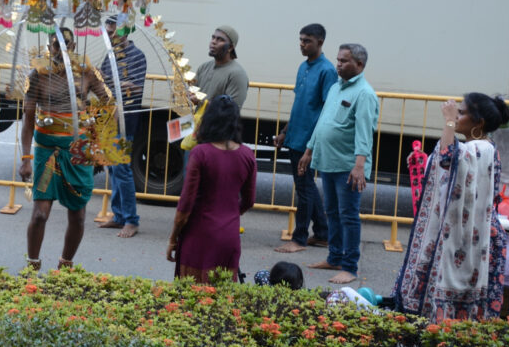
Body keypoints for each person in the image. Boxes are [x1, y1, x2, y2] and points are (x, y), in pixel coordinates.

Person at [392, 95, 509, 322]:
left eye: (461, 113)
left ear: (479, 122)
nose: (456, 116)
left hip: (473, 239)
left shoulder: (481, 148)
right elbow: (448, 162)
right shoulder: (479, 147)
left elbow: (447, 159)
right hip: (468, 236)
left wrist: (448, 121)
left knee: (464, 318)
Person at [18, 27, 111, 270]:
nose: (61, 50)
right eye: (56, 46)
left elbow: (108, 104)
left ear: (73, 47)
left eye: (66, 45)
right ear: (49, 48)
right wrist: (26, 158)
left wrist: (97, 142)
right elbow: (28, 120)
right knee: (40, 214)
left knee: (78, 216)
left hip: (78, 152)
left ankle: (66, 265)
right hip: (47, 153)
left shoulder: (87, 71)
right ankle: (32, 265)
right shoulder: (37, 75)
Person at [299, 43, 379, 285]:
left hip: (348, 166)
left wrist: (359, 166)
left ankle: (350, 266)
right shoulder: (336, 87)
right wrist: (309, 150)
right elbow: (323, 122)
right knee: (332, 212)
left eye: (344, 61)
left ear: (359, 64)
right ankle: (334, 257)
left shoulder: (364, 94)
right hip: (329, 161)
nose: (338, 65)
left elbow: (365, 133)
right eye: (338, 60)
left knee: (348, 216)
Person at [167, 95, 257, 282]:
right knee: (222, 295)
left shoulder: (200, 153)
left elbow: (186, 204)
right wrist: (230, 213)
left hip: (198, 235)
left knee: (191, 294)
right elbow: (249, 201)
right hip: (229, 236)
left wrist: (173, 238)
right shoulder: (248, 155)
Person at [275, 23, 338, 254]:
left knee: (304, 189)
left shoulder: (327, 71)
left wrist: (313, 144)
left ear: (320, 42)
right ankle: (322, 234)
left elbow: (327, 110)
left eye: (307, 41)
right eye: (301, 40)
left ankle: (299, 239)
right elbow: (299, 103)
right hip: (296, 135)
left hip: (309, 140)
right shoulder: (303, 66)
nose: (302, 44)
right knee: (306, 186)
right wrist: (285, 131)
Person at [97, 14, 147, 238]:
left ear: (125, 31)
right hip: (109, 120)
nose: (108, 34)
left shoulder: (137, 56)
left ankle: (131, 220)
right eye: (107, 30)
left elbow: (135, 87)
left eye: (112, 30)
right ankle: (118, 216)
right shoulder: (110, 55)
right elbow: (101, 83)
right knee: (112, 168)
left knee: (122, 169)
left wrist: (108, 82)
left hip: (126, 122)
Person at [194, 25, 249, 109]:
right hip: (197, 117)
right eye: (213, 38)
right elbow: (193, 94)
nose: (213, 42)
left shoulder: (237, 74)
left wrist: (201, 102)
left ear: (230, 47)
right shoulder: (204, 67)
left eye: (220, 39)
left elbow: (231, 110)